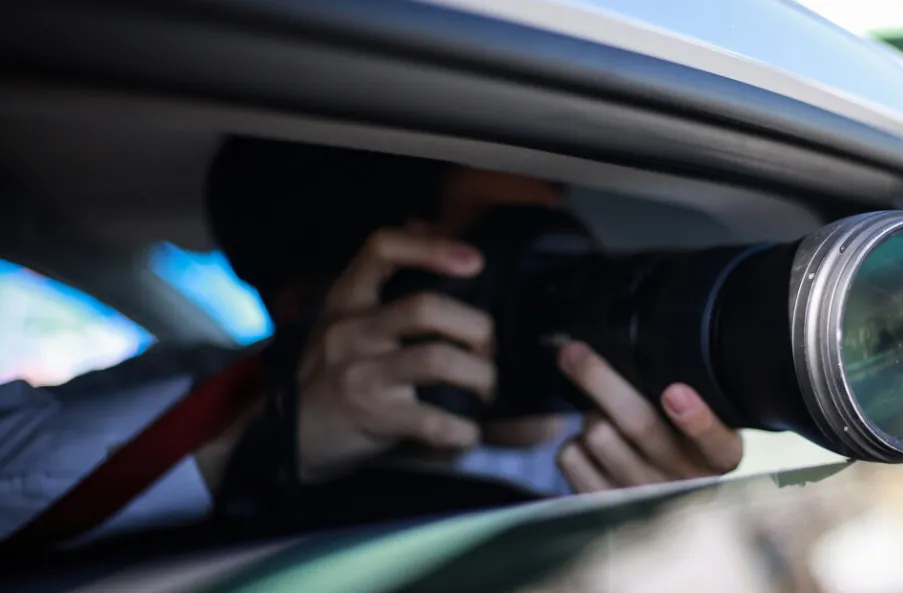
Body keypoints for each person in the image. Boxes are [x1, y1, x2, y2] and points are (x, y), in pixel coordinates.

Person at [0, 137, 743, 546]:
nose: (560, 287)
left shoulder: (611, 441)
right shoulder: (214, 397)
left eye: (563, 248)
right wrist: (255, 439)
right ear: (330, 299)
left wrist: (668, 531)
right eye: (512, 259)